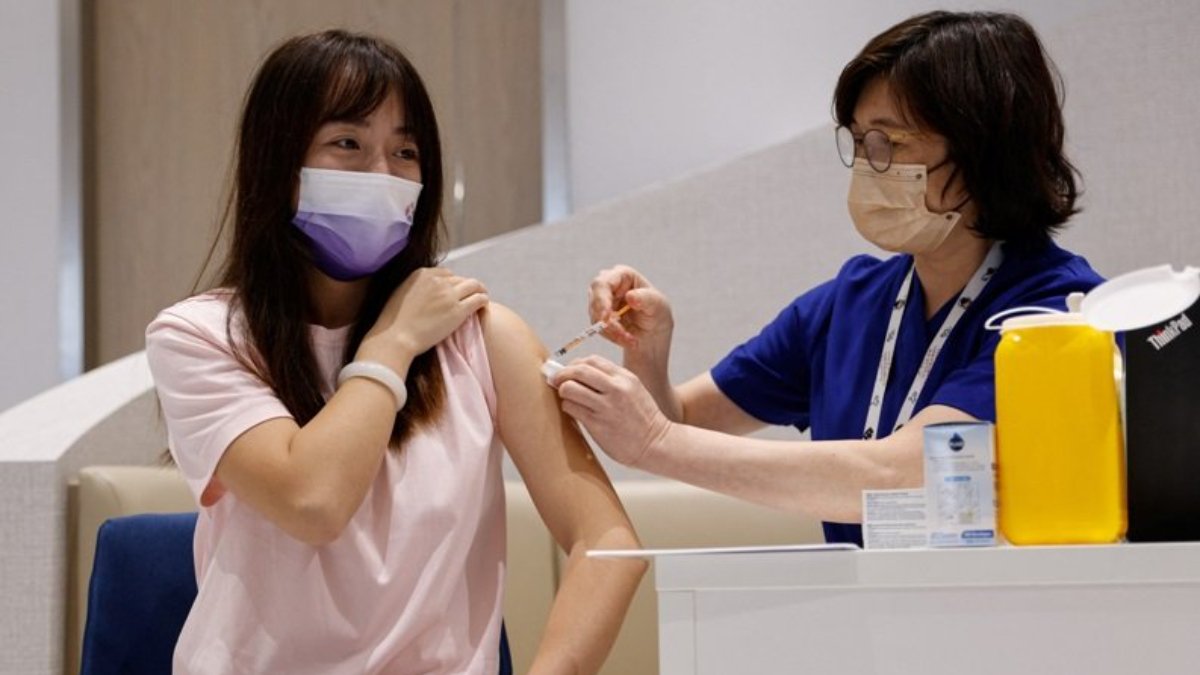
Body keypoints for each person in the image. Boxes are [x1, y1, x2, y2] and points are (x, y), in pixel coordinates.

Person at [145, 30, 643, 674]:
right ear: (277, 162)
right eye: (347, 144)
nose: (382, 176)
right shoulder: (201, 336)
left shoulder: (485, 339)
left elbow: (607, 541)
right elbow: (313, 501)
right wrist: (394, 342)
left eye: (405, 152)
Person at [550, 11, 1104, 547]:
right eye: (860, 142)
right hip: (858, 605)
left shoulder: (1056, 312)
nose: (868, 165)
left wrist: (654, 440)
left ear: (984, 151)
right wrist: (649, 351)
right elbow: (686, 424)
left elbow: (909, 472)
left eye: (890, 143)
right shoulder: (849, 304)